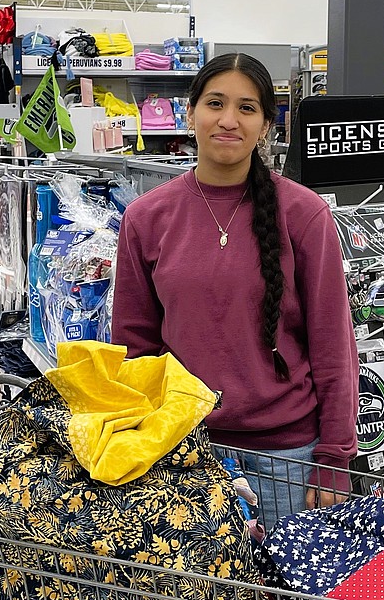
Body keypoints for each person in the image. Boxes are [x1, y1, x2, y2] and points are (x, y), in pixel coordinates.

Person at [111, 51, 358, 527]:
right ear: (191, 111)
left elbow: (333, 345)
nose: (229, 120)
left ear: (266, 125)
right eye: (215, 103)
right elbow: (135, 348)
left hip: (291, 463)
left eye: (247, 108)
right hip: (186, 456)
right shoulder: (146, 219)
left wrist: (334, 457)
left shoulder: (304, 215)